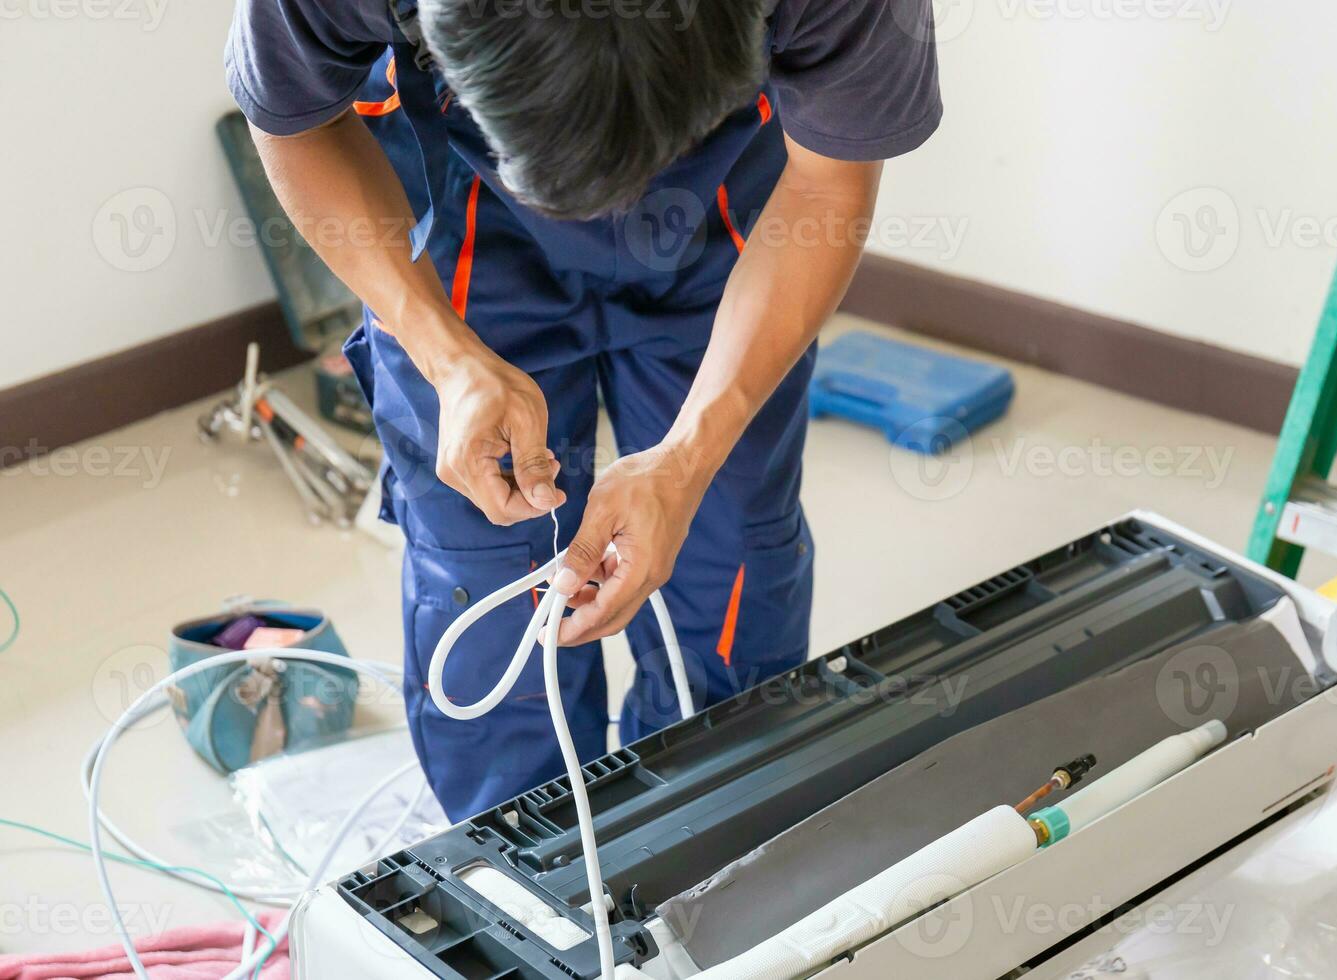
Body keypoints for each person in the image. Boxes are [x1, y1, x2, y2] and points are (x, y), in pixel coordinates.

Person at [226, 0, 942, 820]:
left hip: (727, 224)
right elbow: (293, 118)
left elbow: (825, 183)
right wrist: (443, 355)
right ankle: (526, 871)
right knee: (490, 580)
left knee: (730, 554)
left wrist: (686, 457)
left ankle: (712, 841)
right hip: (464, 229)